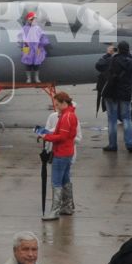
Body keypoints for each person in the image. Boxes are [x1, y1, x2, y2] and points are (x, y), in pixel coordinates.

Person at [42, 90, 79, 219]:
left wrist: (46, 137)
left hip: (61, 153)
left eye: (57, 104)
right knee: (65, 179)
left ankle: (55, 210)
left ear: (63, 103)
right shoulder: (70, 115)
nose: (56, 107)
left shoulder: (66, 117)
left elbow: (62, 136)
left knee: (56, 181)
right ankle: (67, 206)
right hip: (68, 152)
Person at [96, 41, 132, 154]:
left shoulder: (112, 59)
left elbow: (99, 65)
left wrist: (108, 54)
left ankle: (112, 145)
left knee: (112, 119)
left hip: (111, 93)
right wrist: (127, 54)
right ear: (128, 50)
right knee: (127, 118)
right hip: (124, 93)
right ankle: (129, 143)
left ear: (118, 50)